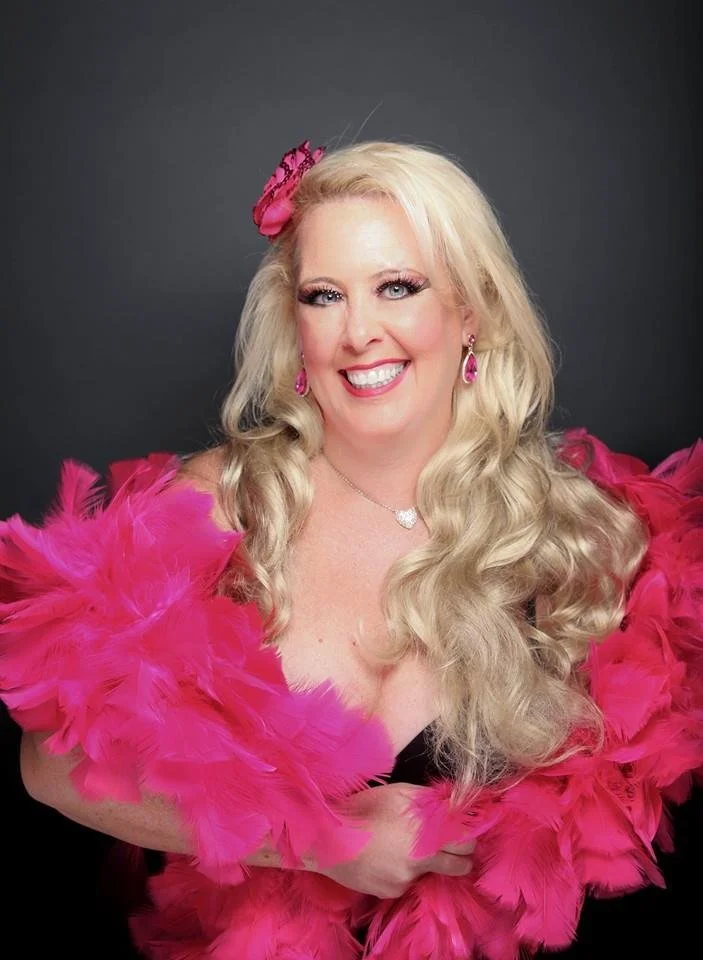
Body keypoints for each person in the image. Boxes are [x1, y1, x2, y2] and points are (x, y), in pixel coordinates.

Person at [1, 139, 701, 959]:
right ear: (295, 325)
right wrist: (320, 837)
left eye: (396, 288)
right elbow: (50, 766)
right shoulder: (224, 506)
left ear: (468, 311)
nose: (358, 332)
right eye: (324, 295)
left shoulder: (571, 535)